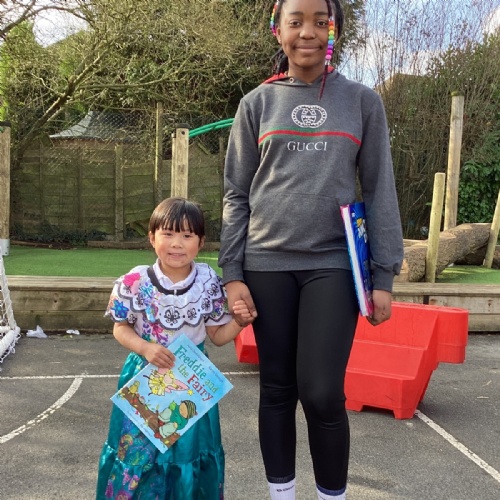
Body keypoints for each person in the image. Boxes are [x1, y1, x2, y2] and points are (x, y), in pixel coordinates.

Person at [218, 0, 404, 499]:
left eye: (320, 22)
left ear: (334, 30)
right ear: (277, 30)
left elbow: (379, 189)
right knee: (277, 389)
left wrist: (384, 276)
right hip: (265, 264)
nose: (308, 32)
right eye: (295, 22)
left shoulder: (362, 102)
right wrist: (232, 272)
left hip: (333, 264)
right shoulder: (256, 103)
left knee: (322, 392)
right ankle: (282, 494)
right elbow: (236, 193)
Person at [96, 197, 253, 500]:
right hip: (144, 378)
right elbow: (120, 327)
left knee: (187, 453)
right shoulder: (135, 281)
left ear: (201, 242)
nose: (177, 243)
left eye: (187, 235)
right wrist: (145, 348)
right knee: (138, 453)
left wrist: (240, 322)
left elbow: (218, 336)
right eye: (167, 234)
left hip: (193, 381)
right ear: (152, 237)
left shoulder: (208, 281)